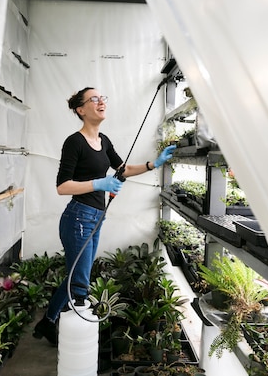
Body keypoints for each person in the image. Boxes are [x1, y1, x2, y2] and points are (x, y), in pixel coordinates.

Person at [32, 86, 176, 345]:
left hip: (96, 218)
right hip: (78, 218)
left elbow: (122, 169)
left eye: (102, 98)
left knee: (75, 273)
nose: (101, 102)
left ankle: (48, 321)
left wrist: (154, 163)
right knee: (80, 282)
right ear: (81, 109)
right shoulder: (74, 142)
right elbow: (62, 186)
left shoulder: (104, 141)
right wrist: (99, 184)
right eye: (94, 99)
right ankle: (78, 341)